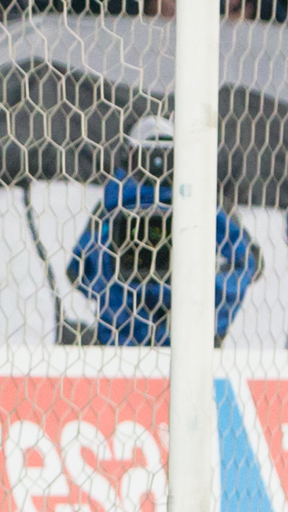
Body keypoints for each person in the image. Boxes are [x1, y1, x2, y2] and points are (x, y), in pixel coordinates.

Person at [68, 115, 259, 345]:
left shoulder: (113, 205)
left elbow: (79, 271)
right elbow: (248, 261)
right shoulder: (203, 204)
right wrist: (211, 321)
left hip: (123, 340)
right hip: (185, 341)